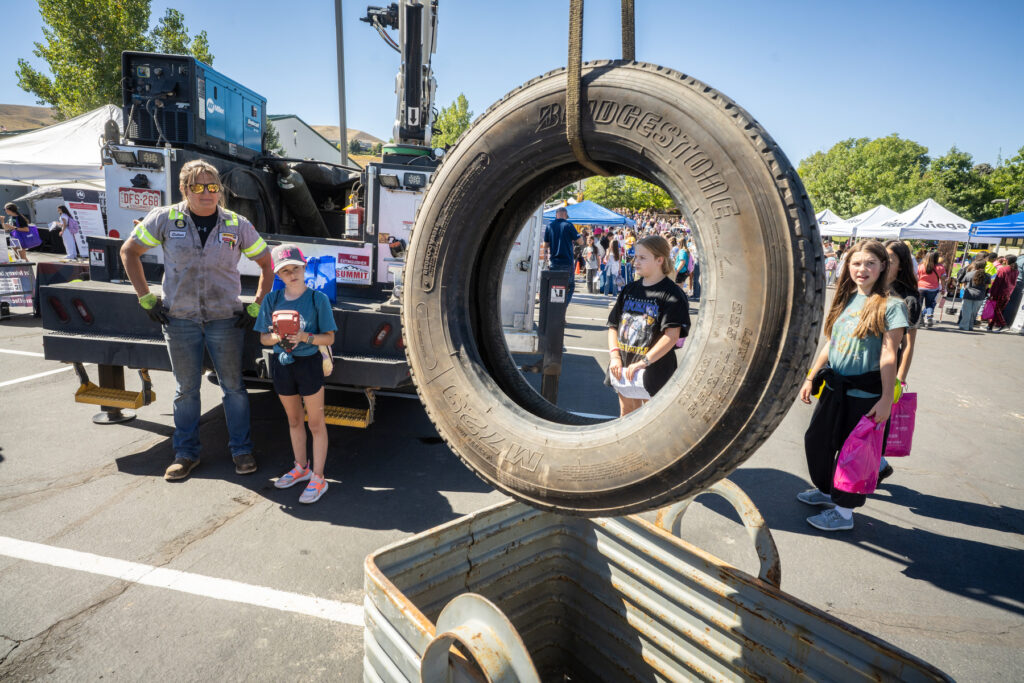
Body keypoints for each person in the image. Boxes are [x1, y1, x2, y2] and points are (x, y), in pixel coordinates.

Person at [120, 159, 274, 481]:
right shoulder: (164, 218)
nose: (206, 193)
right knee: (185, 391)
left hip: (225, 321)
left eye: (213, 186)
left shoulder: (236, 224)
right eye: (198, 187)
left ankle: (241, 450)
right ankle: (186, 454)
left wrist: (257, 305)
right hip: (180, 319)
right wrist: (145, 297)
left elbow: (267, 262)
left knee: (233, 388)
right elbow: (129, 251)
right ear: (184, 189)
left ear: (220, 190)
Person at [798, 240, 907, 531]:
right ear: (848, 265)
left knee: (853, 457)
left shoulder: (893, 306)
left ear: (883, 266)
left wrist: (886, 399)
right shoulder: (846, 298)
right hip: (835, 388)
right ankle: (825, 491)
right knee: (817, 442)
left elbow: (888, 354)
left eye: (870, 263)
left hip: (866, 396)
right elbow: (832, 342)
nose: (862, 269)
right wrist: (811, 377)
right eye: (857, 263)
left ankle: (844, 513)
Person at [256, 244, 338, 504]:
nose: (292, 274)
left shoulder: (317, 299)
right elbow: (264, 339)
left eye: (296, 268)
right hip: (283, 364)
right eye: (285, 271)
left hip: (309, 364)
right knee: (293, 421)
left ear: (305, 268)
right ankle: (301, 467)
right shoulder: (272, 300)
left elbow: (329, 337)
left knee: (315, 423)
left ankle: (319, 476)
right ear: (278, 275)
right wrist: (277, 336)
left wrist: (305, 337)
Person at [607, 235, 690, 416]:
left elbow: (672, 335)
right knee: (627, 413)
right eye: (635, 257)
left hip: (655, 368)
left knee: (653, 418)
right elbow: (613, 325)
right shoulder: (629, 289)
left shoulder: (672, 294)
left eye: (642, 258)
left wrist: (644, 362)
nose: (635, 262)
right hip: (624, 364)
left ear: (659, 260)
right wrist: (615, 356)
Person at [878, 240, 920, 481]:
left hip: (888, 368)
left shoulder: (910, 299)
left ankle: (875, 465)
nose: (885, 264)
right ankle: (878, 464)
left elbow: (910, 344)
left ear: (901, 265)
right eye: (882, 258)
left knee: (873, 422)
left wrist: (900, 380)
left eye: (890, 260)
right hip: (866, 364)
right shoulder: (874, 288)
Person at [543, 207, 582, 305]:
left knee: (554, 286)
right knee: (570, 286)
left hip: (554, 261)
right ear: (565, 215)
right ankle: (563, 307)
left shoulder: (550, 226)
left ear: (556, 214)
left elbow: (545, 245)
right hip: (567, 261)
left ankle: (555, 308)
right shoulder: (568, 225)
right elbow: (580, 241)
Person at [986, 255, 1019, 332]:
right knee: (998, 310)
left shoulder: (1003, 269)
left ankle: (1003, 325)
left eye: (1005, 260)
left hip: (999, 293)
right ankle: (990, 326)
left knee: (996, 310)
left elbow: (997, 283)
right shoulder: (1016, 270)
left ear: (1006, 261)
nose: (1003, 261)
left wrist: (991, 293)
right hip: (1008, 293)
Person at [957, 258, 989, 331]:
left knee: (966, 312)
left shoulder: (969, 274)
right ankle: (970, 326)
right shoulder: (987, 275)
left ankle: (964, 326)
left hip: (969, 294)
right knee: (974, 313)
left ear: (975, 265)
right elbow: (987, 287)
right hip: (980, 295)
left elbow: (964, 284)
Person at [916, 251, 945, 328]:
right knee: (929, 304)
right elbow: (943, 279)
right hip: (933, 289)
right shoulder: (940, 267)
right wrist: (943, 288)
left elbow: (916, 277)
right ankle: (929, 317)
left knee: (919, 305)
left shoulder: (920, 266)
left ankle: (918, 322)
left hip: (920, 288)